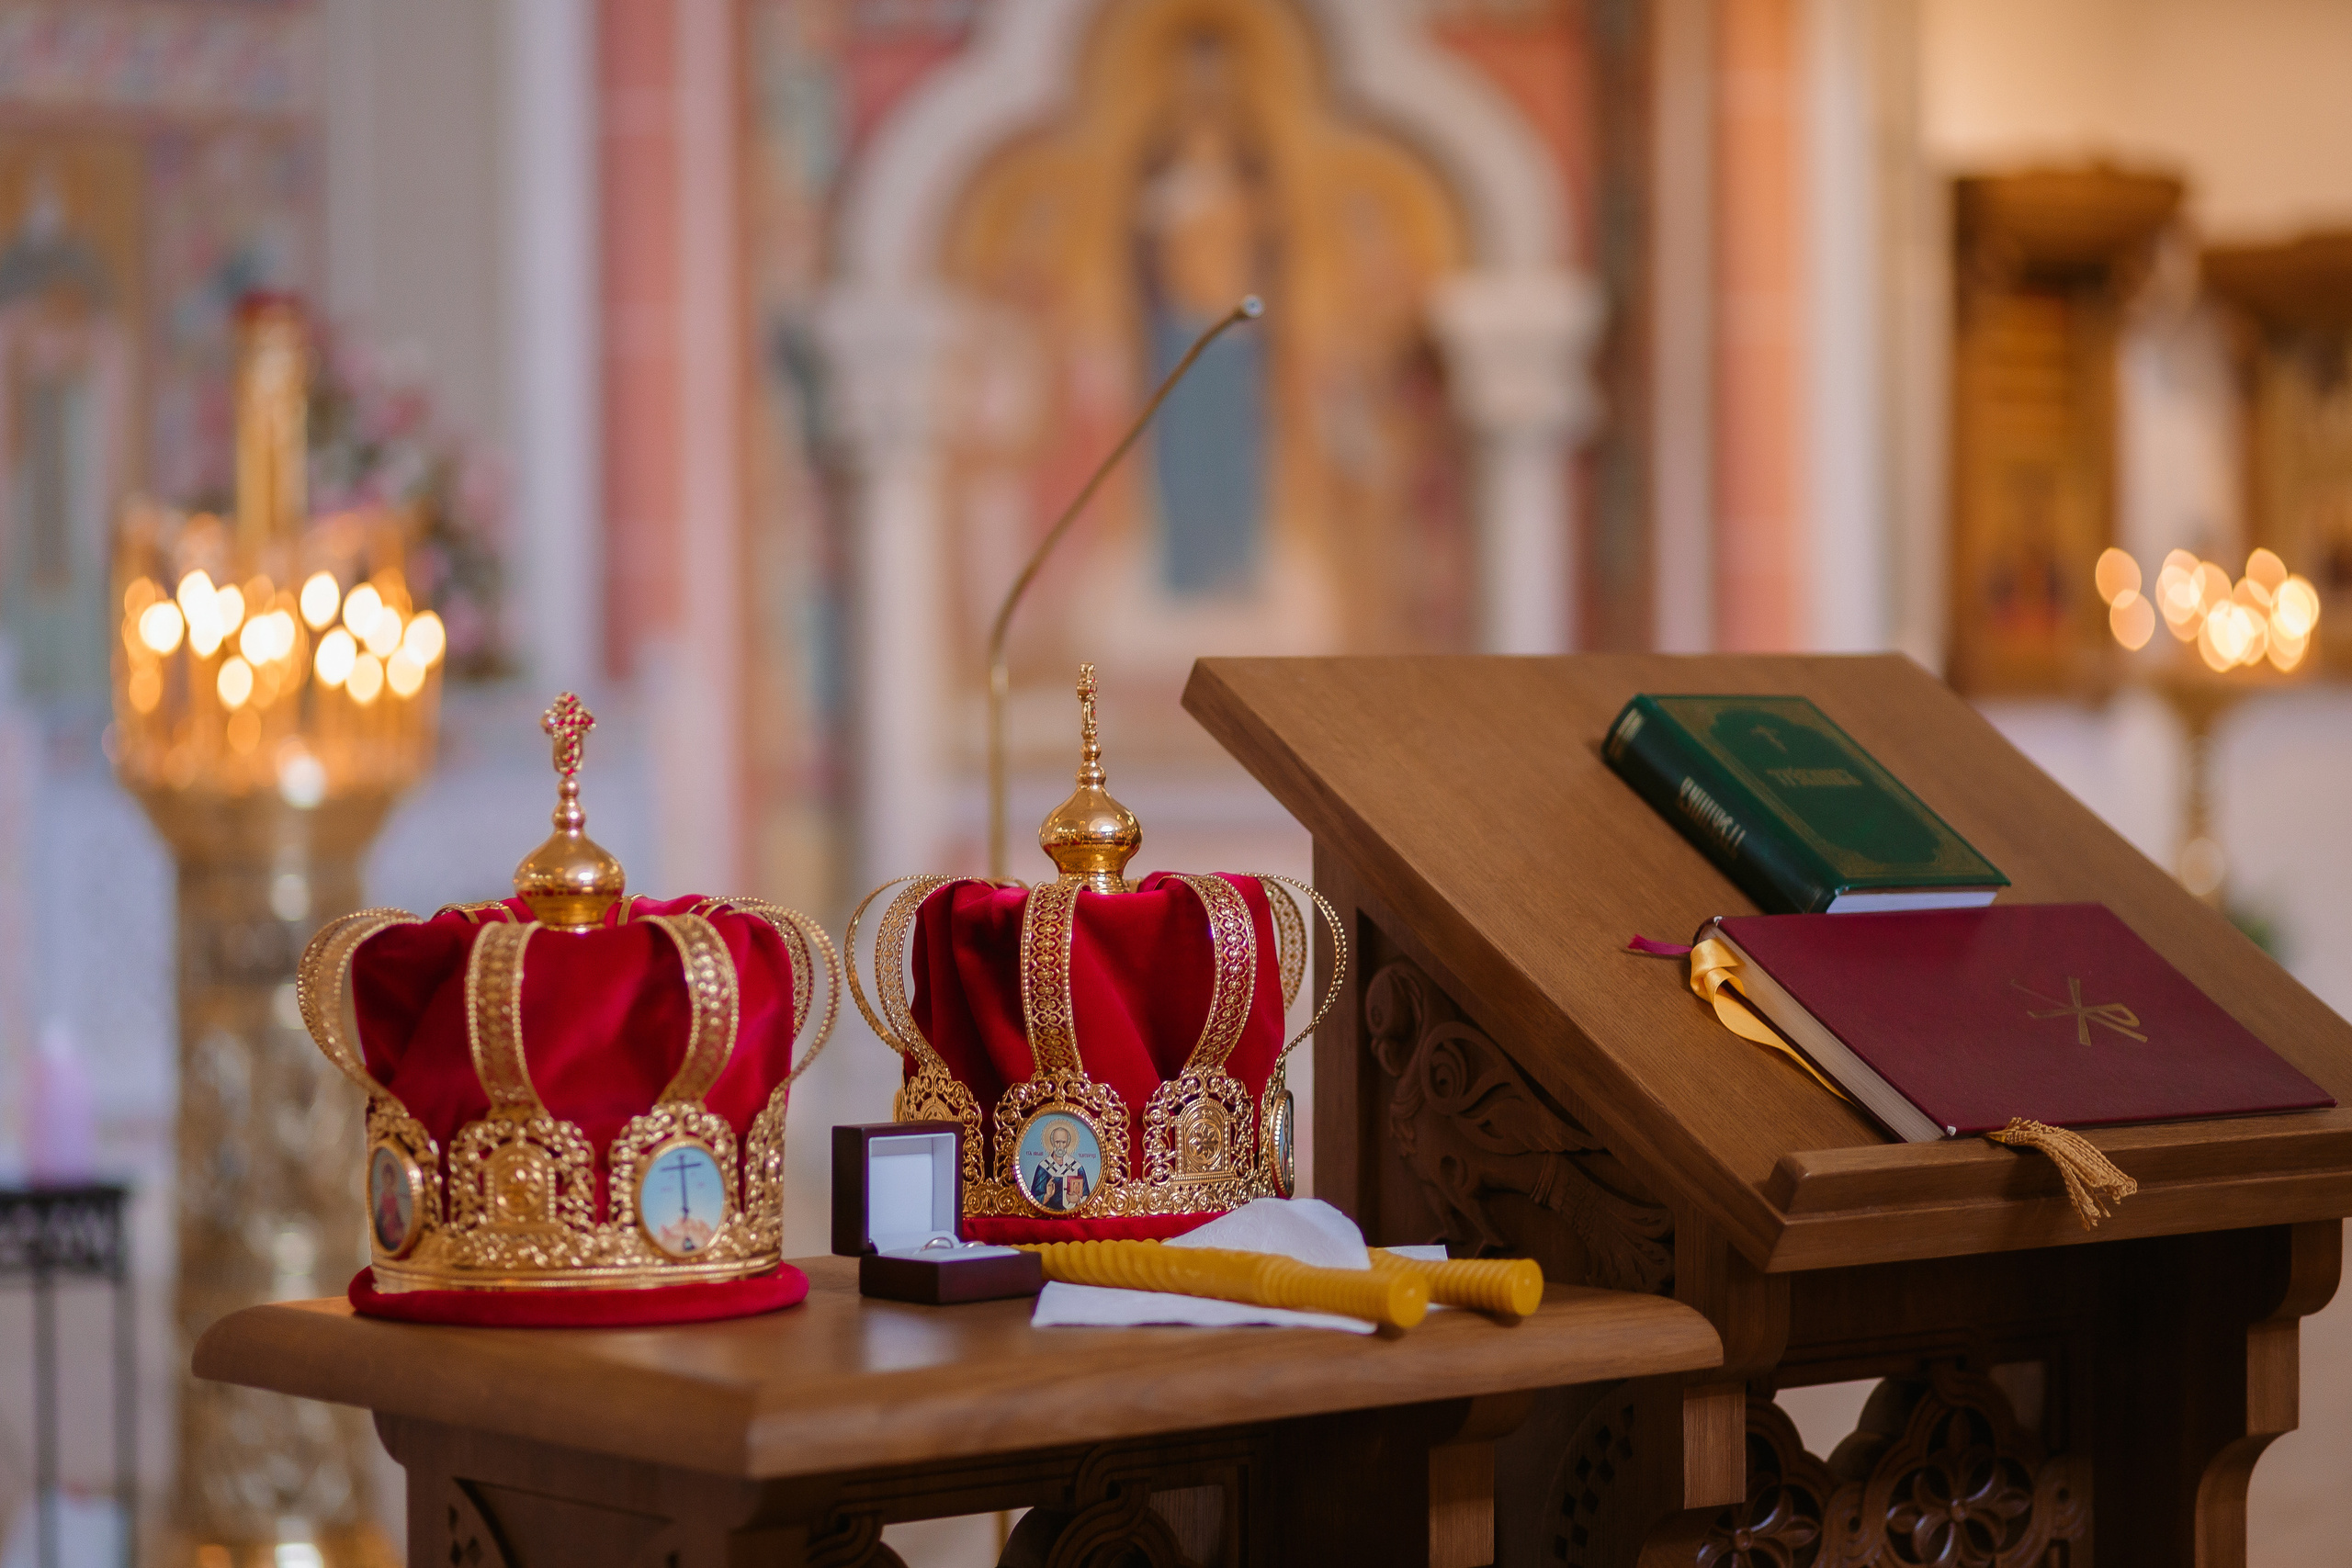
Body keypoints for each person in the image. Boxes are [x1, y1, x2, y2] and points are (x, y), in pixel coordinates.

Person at [1029, 1121, 1091, 1212]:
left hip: (1072, 1216)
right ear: (1052, 1143)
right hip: (1046, 1215)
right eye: (1057, 1142)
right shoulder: (1043, 1167)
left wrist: (1078, 1200)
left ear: (1068, 1143)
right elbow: (1033, 1197)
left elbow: (1087, 1196)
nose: (1060, 1146)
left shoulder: (1077, 1167)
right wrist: (1047, 1196)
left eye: (1063, 1142)